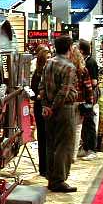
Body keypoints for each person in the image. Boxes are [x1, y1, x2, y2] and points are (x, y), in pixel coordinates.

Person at [39, 35, 78, 193]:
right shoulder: (69, 66)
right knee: (64, 145)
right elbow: (64, 92)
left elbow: (41, 86)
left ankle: (51, 177)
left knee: (51, 144)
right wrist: (53, 107)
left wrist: (46, 106)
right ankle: (59, 180)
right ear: (69, 48)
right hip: (63, 109)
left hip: (49, 109)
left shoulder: (48, 62)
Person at [70, 45, 94, 161]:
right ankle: (73, 155)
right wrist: (90, 102)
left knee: (67, 129)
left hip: (68, 101)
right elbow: (88, 87)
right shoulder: (83, 70)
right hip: (80, 102)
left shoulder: (66, 68)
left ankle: (68, 153)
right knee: (77, 129)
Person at [30, 46, 51, 177]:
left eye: (50, 57)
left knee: (49, 138)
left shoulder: (51, 72)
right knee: (42, 137)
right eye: (47, 58)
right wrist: (39, 96)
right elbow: (33, 93)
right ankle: (43, 168)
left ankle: (49, 166)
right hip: (40, 107)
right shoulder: (37, 74)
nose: (49, 59)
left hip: (49, 107)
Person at [77, 39, 99, 159]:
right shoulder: (84, 62)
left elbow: (94, 82)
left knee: (89, 121)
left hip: (89, 96)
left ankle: (91, 149)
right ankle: (85, 147)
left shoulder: (90, 62)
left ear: (81, 50)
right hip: (85, 96)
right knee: (84, 122)